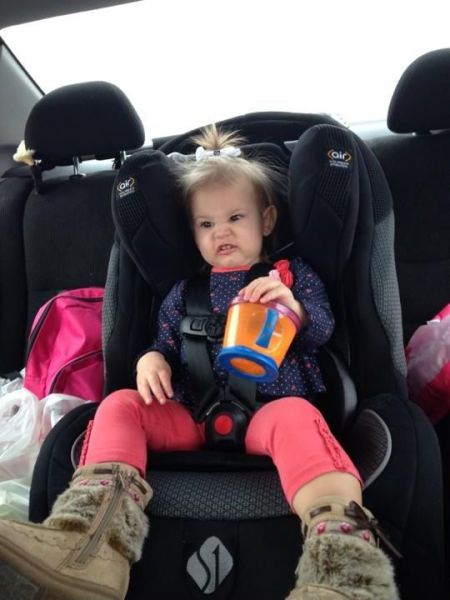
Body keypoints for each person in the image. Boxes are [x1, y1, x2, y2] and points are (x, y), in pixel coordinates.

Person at [0, 126, 399, 600]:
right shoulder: (182, 294)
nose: (221, 232)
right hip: (193, 414)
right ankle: (91, 543)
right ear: (192, 233)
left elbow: (323, 331)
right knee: (120, 405)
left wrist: (293, 306)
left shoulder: (291, 278)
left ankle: (342, 565)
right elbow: (164, 347)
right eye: (206, 224)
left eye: (235, 217)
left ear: (266, 220)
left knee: (297, 418)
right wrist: (150, 360)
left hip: (272, 412)